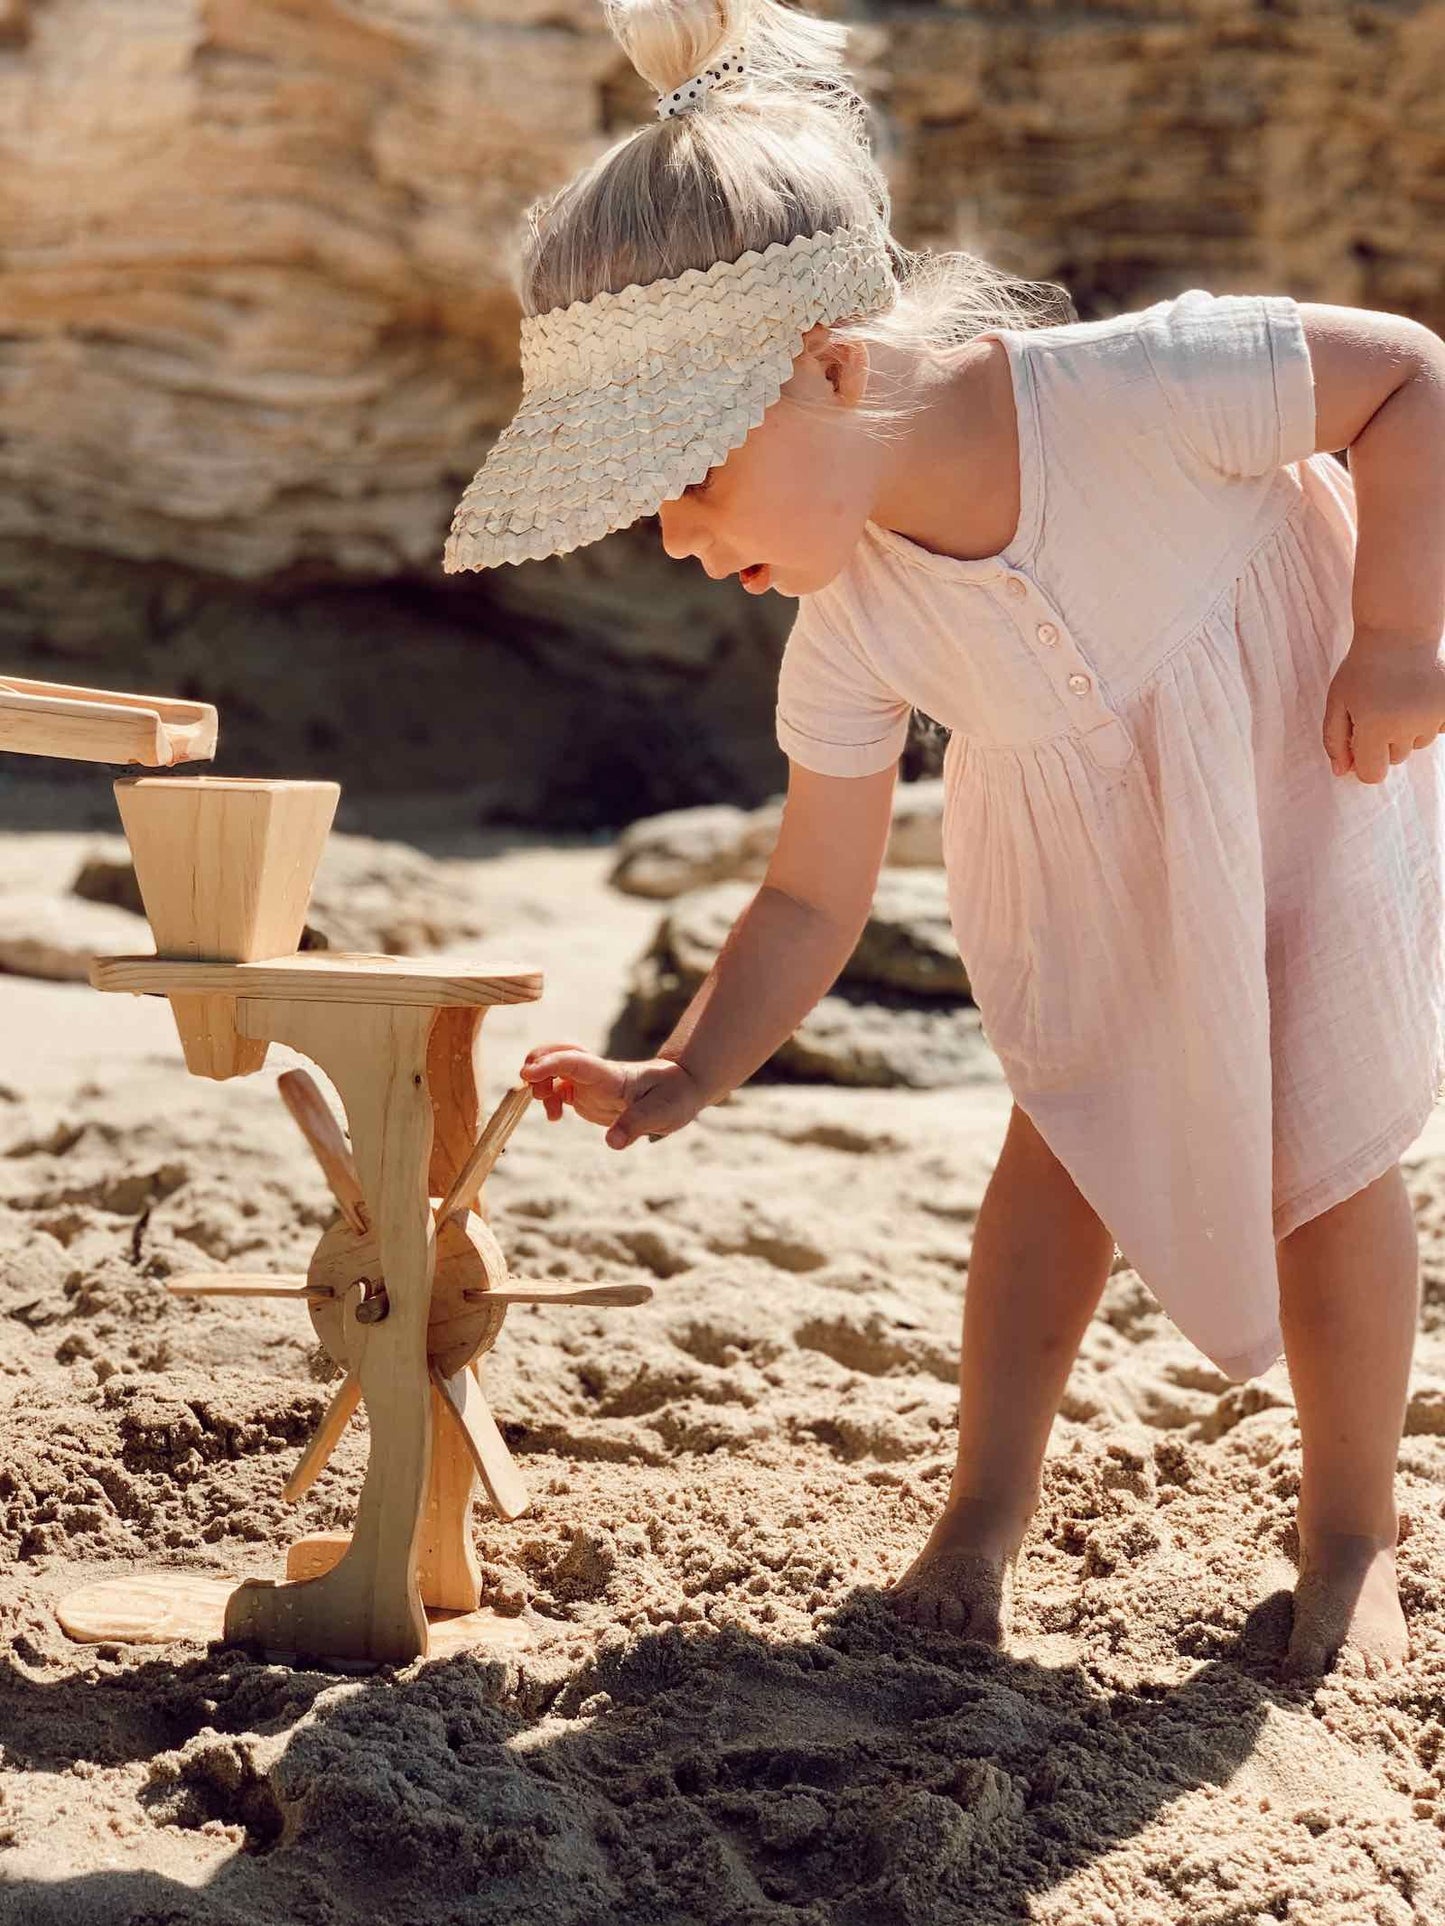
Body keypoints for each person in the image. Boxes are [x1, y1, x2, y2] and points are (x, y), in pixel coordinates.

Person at [445, 0, 1445, 1674]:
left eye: (687, 479)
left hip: (1304, 777)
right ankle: (981, 1512)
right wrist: (684, 1072)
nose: (681, 541)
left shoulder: (1135, 394)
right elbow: (808, 894)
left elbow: (1405, 378)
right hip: (1096, 872)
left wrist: (1398, 631)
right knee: (1059, 1136)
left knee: (1331, 1156)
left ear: (833, 368)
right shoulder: (850, 624)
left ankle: (1352, 1530)